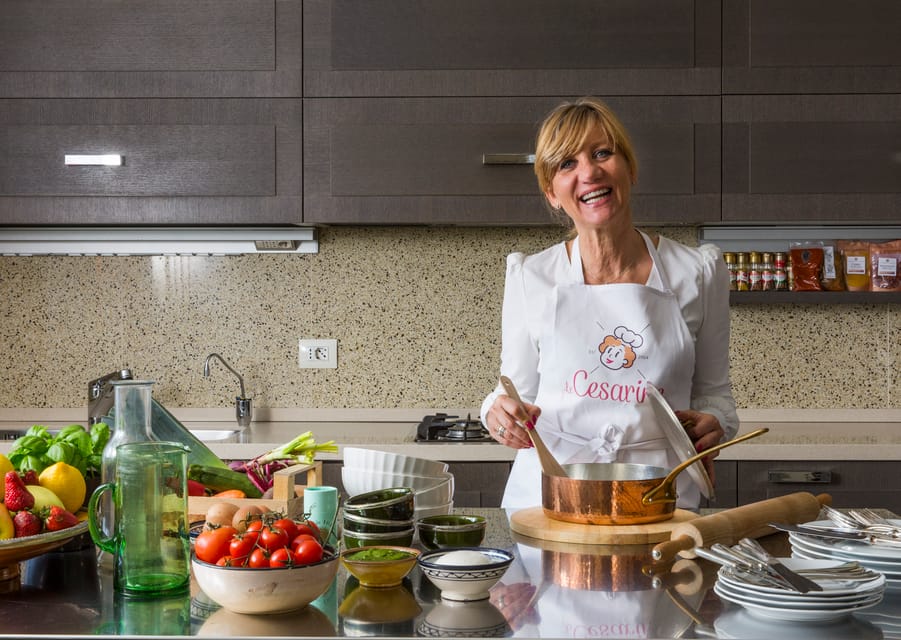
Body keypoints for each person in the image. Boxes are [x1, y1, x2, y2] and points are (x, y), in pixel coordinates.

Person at [480, 97, 739, 510]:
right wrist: (496, 414)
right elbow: (511, 391)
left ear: (630, 169)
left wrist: (716, 425)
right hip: (551, 497)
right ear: (551, 192)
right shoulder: (531, 276)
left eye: (603, 153)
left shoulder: (698, 272)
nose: (589, 172)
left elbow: (716, 397)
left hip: (656, 495)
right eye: (566, 164)